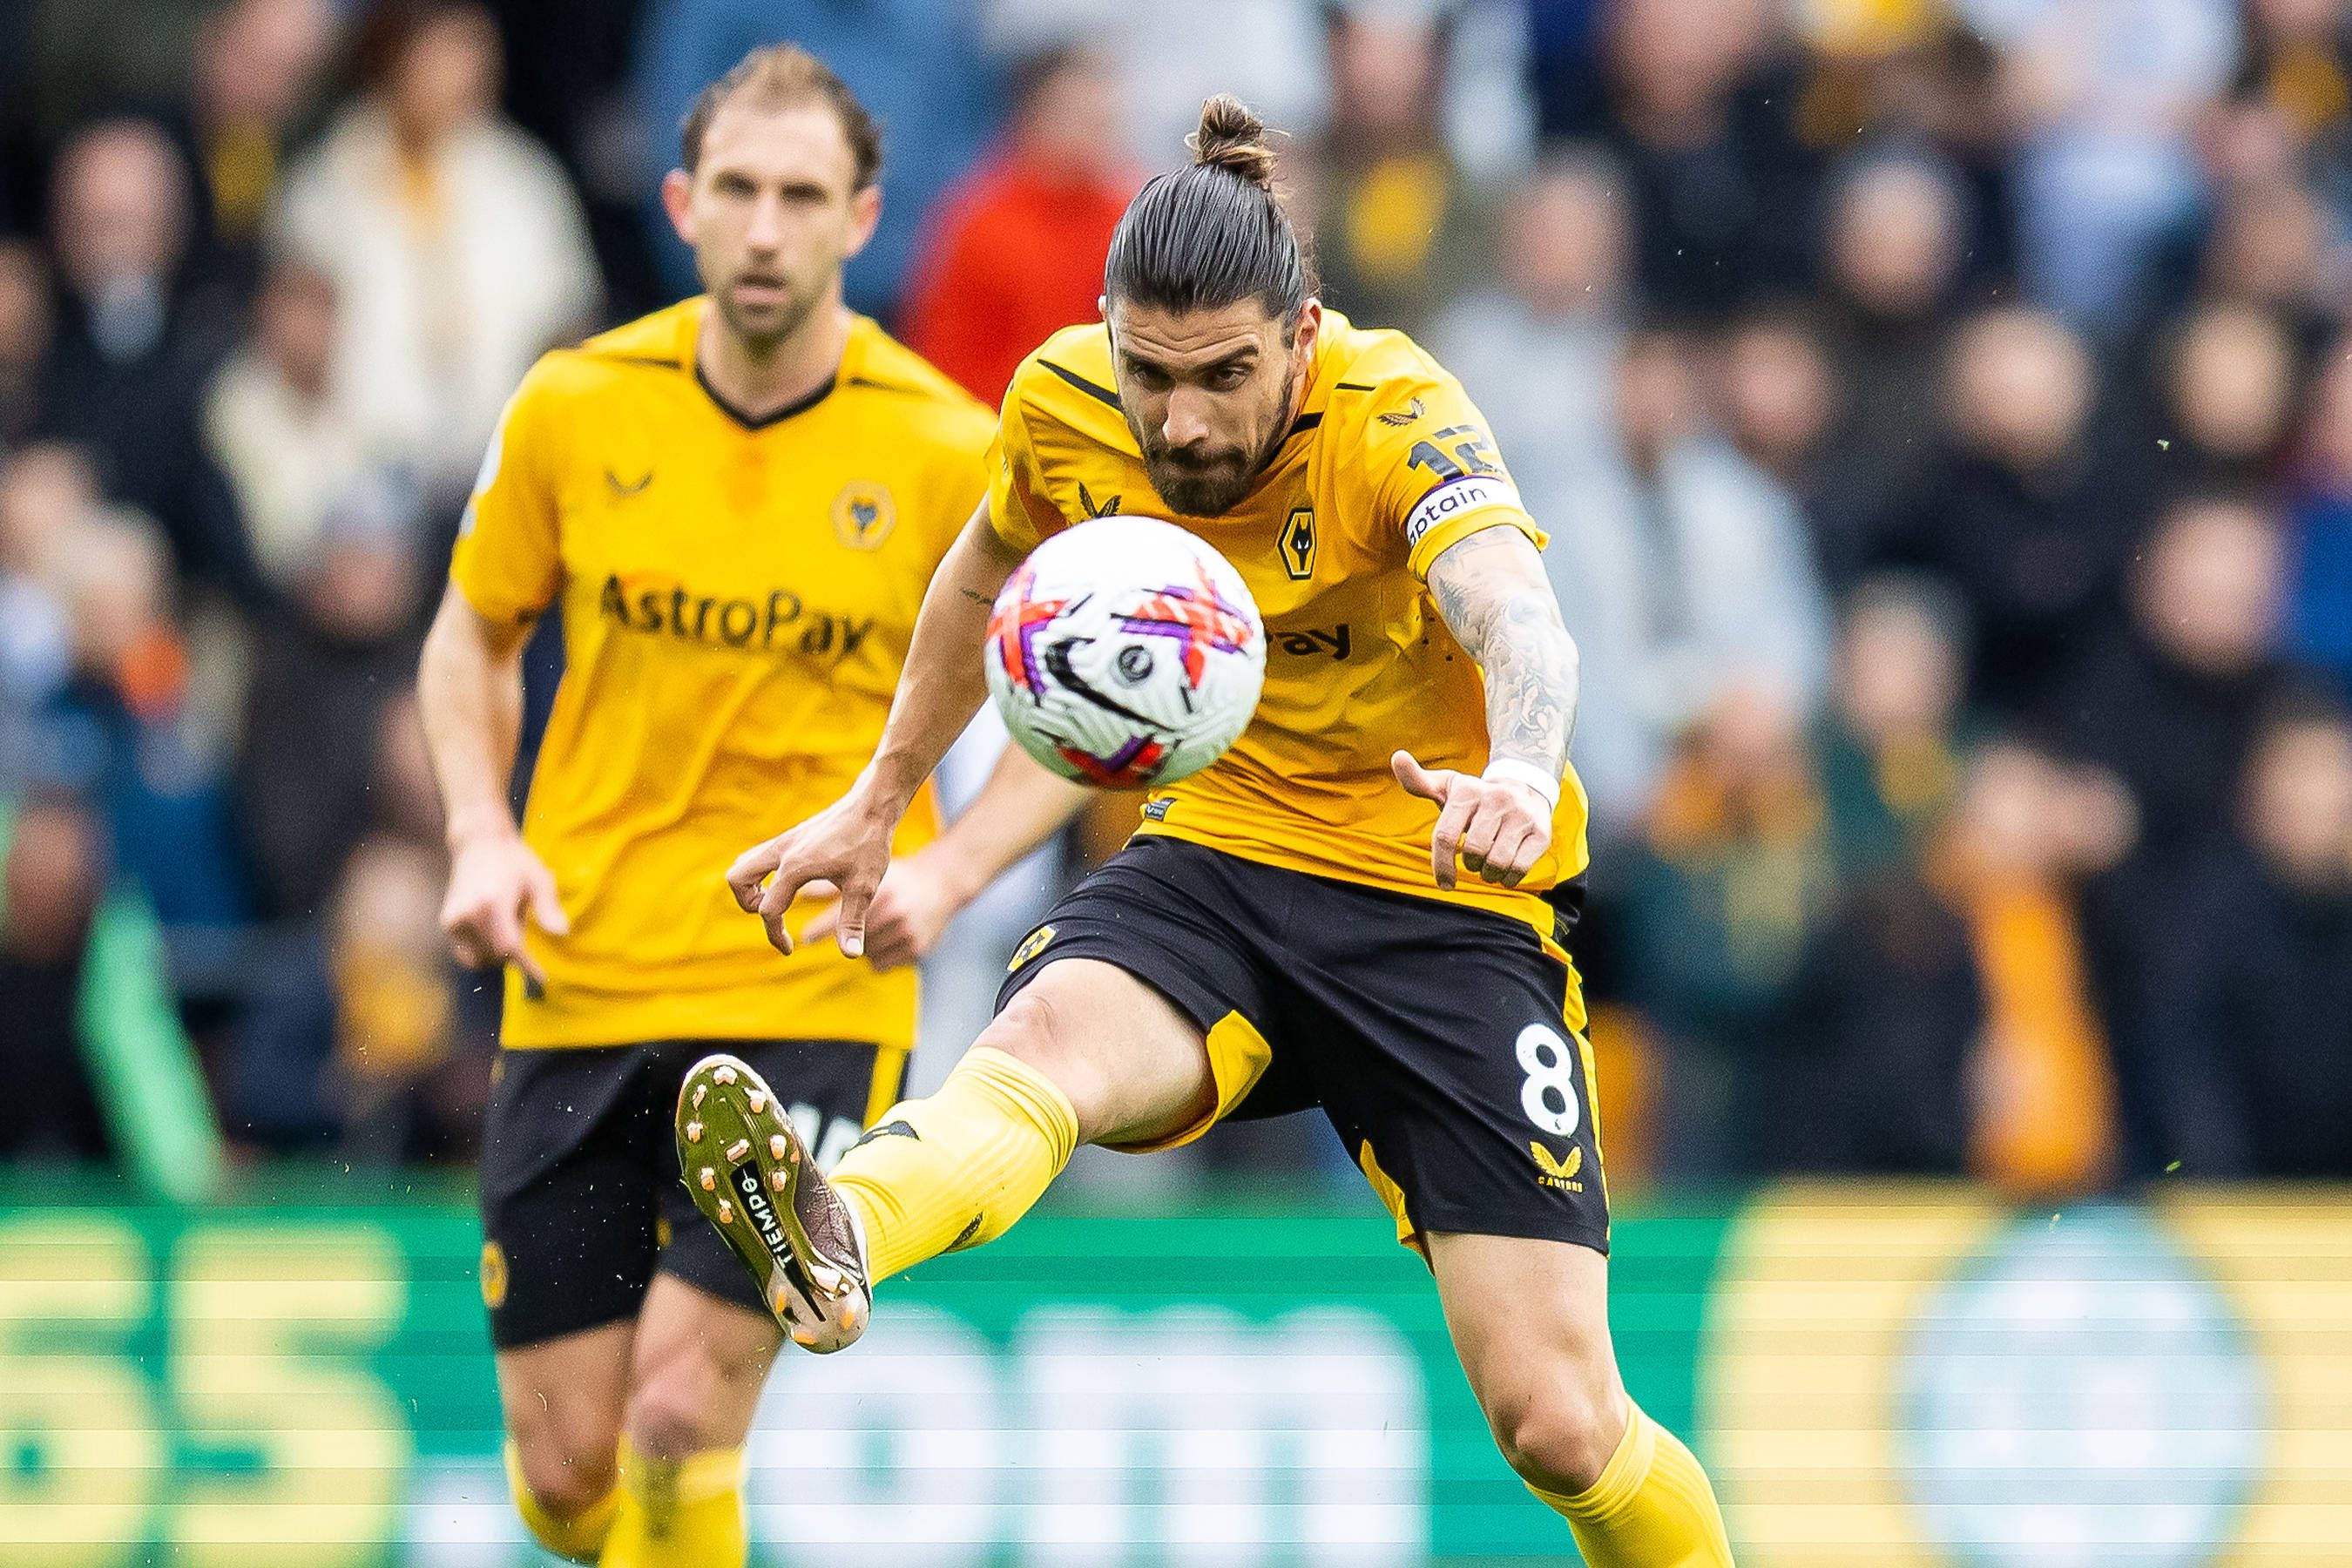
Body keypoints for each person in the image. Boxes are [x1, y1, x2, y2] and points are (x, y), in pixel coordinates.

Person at [702, 97, 1737, 1568]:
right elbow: (972, 580)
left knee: (1559, 1424)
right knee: (1046, 1041)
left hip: (1441, 895)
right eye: (1151, 376)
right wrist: (879, 802)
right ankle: (838, 1229)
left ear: (1301, 337)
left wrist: (1517, 768)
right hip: (1220, 862)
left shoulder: (1393, 414)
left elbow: (1517, 611)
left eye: (1226, 377)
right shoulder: (1062, 402)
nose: (1181, 423)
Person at [414, 45, 1068, 1568]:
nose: (767, 229)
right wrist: (477, 832)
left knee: (677, 1414)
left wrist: (956, 870)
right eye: (739, 193)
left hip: (807, 988)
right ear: (679, 205)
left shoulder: (942, 450)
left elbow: (1071, 717)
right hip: (582, 970)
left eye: (802, 197)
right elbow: (472, 632)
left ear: (861, 220)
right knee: (570, 1478)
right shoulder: (576, 408)